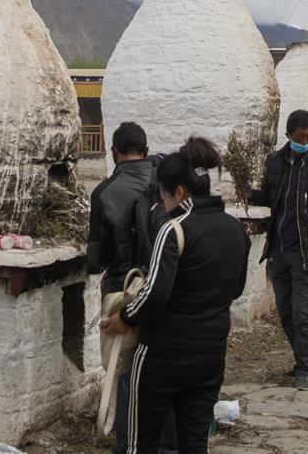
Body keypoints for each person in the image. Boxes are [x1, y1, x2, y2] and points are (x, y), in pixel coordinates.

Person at [100, 137, 250, 454]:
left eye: (165, 195)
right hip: (210, 355)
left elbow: (155, 295)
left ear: (179, 192)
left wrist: (123, 318)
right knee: (194, 443)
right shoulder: (235, 229)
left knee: (141, 443)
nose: (163, 202)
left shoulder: (175, 229)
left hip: (162, 355)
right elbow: (236, 289)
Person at [87, 122, 177, 454]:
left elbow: (96, 258)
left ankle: (128, 442)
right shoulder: (167, 181)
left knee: (123, 369)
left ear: (114, 152)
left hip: (124, 289)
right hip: (169, 287)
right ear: (147, 149)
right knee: (162, 367)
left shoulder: (105, 193)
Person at [249, 109, 308, 390]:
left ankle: (305, 367)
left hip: (304, 252)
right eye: (301, 137)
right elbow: (267, 197)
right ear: (288, 135)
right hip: (278, 251)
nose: (306, 141)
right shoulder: (274, 162)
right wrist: (245, 191)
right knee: (285, 312)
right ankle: (304, 361)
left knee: (303, 313)